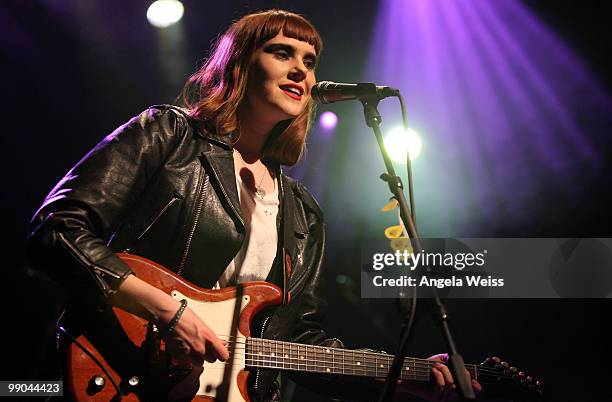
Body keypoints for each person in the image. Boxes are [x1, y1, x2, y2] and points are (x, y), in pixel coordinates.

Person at [26, 9, 480, 401]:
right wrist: (166, 310)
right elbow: (57, 229)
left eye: (310, 61)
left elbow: (294, 340)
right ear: (241, 64)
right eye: (282, 52)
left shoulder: (302, 213)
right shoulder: (169, 135)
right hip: (116, 370)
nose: (302, 70)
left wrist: (397, 377)